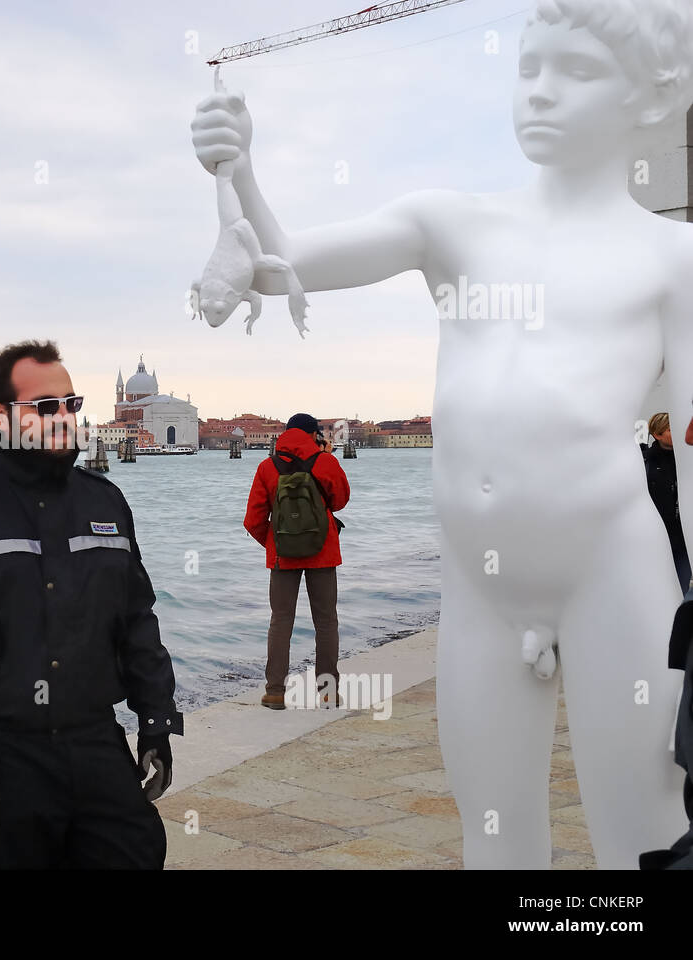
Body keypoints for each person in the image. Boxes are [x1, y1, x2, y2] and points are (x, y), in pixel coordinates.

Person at [192, 0, 693, 867]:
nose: (539, 92)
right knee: (493, 840)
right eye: (529, 68)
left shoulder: (673, 258)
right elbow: (282, 266)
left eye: (576, 73)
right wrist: (238, 171)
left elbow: (690, 452)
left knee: (643, 842)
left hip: (615, 573)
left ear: (651, 99)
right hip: (480, 591)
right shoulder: (452, 224)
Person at [0, 340, 182, 869]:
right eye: (45, 407)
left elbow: (137, 621)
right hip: (0, 758)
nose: (65, 416)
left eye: (71, 403)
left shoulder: (106, 503)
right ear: (0, 417)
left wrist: (157, 718)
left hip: (95, 743)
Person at [243, 414, 350, 710]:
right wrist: (328, 457)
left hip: (282, 557)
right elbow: (340, 501)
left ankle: (275, 692)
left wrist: (276, 544)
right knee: (326, 622)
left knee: (280, 622)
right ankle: (327, 692)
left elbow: (252, 520)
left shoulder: (267, 467)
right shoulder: (325, 462)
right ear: (313, 434)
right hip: (323, 553)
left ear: (285, 434)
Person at [642, 408, 693, 869]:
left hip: (682, 536)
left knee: (682, 588)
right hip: (658, 535)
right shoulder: (647, 458)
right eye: (669, 431)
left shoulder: (682, 461)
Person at [642, 412, 690, 592]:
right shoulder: (645, 461)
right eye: (670, 429)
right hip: (661, 539)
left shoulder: (686, 458)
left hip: (686, 536)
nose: (677, 432)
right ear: (657, 434)